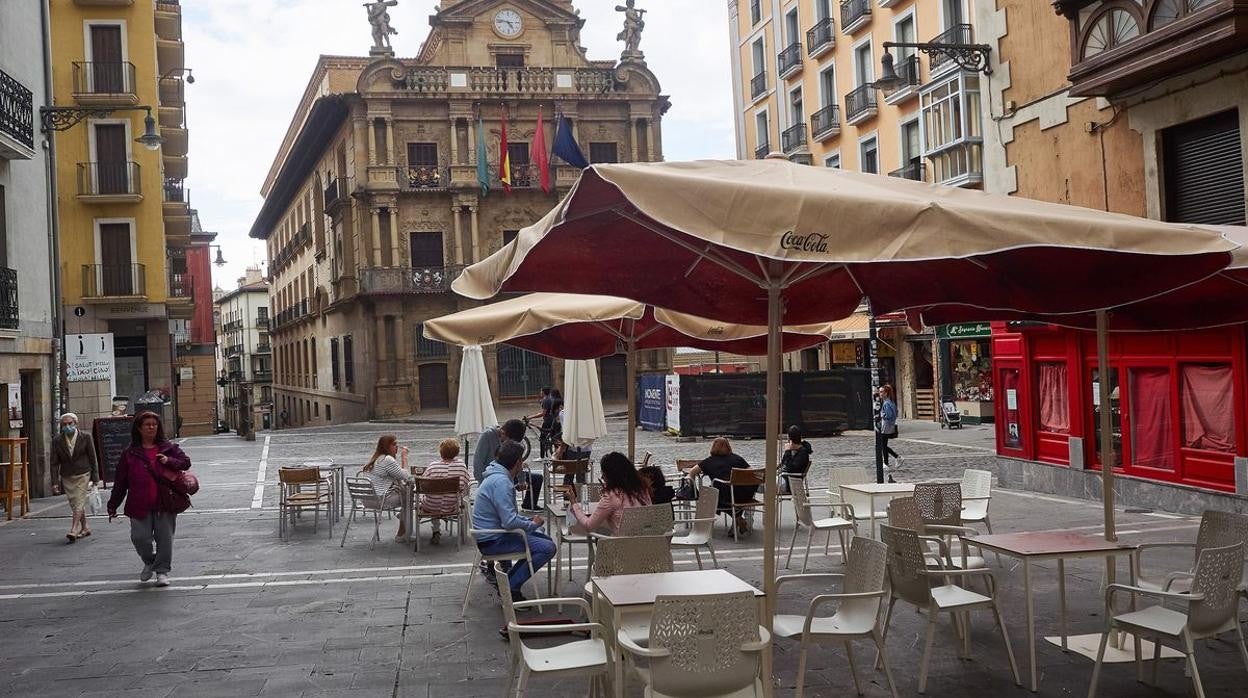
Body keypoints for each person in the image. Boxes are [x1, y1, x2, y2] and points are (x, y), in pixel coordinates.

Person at [106, 411, 191, 587]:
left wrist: (169, 460)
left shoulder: (168, 447)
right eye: (147, 424)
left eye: (154, 424)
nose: (151, 427)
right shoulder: (129, 453)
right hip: (139, 503)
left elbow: (185, 462)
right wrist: (113, 505)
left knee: (165, 539)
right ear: (139, 428)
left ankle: (162, 572)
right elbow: (121, 482)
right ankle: (150, 561)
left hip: (165, 501)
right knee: (140, 538)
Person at [472, 441, 555, 602]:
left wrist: (527, 522)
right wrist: (532, 524)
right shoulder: (502, 482)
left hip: (490, 535)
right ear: (518, 463)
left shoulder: (496, 476)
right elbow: (509, 522)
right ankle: (511, 587)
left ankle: (510, 581)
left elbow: (507, 517)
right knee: (547, 547)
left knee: (542, 536)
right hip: (493, 540)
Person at [687, 437, 757, 535]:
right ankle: (738, 519)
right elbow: (752, 472)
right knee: (727, 494)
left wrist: (692, 485)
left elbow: (692, 473)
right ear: (729, 447)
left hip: (722, 497)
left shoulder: (708, 461)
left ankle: (737, 520)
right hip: (743, 495)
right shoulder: (737, 458)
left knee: (711, 495)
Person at [569, 452, 651, 535]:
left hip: (622, 545)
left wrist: (574, 504)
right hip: (647, 543)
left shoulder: (612, 496)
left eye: (603, 473)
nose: (602, 477)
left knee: (600, 531)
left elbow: (589, 526)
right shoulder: (642, 490)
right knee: (603, 530)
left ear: (610, 476)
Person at [50, 412, 101, 542]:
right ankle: (85, 527)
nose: (67, 426)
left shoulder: (86, 437)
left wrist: (95, 478)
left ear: (75, 424)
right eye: (64, 424)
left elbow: (93, 458)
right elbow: (54, 463)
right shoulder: (57, 440)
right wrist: (55, 483)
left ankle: (74, 529)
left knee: (78, 501)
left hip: (83, 473)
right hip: (67, 476)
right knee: (75, 503)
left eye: (70, 423)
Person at [472, 418, 543, 509]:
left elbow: (518, 461)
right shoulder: (487, 436)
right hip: (490, 480)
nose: (508, 444)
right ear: (503, 432)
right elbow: (478, 462)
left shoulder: (515, 441)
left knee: (537, 478)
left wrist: (522, 481)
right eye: (508, 440)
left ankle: (529, 504)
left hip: (507, 478)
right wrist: (484, 483)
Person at [420, 438, 472, 545]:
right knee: (445, 497)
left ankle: (436, 530)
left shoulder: (433, 466)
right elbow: (467, 481)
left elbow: (423, 485)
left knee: (432, 498)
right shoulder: (461, 466)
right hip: (452, 505)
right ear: (457, 452)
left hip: (431, 505)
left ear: (441, 452)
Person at [363, 435, 414, 542]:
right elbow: (407, 477)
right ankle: (401, 534)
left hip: (367, 500)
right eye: (394, 444)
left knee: (406, 495)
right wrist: (404, 457)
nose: (397, 447)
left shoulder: (375, 459)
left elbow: (397, 475)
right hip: (380, 500)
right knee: (409, 495)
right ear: (387, 446)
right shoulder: (387, 459)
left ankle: (403, 518)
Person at [876, 384, 902, 481]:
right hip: (889, 425)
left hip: (886, 426)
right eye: (880, 391)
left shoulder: (886, 403)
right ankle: (887, 462)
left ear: (886, 393)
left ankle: (895, 458)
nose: (880, 393)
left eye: (882, 392)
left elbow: (889, 415)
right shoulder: (890, 402)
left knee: (883, 445)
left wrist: (882, 415)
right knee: (883, 445)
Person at [779, 425, 813, 495]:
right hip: (782, 479)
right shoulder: (794, 451)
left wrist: (787, 452)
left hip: (788, 482)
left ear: (789, 439)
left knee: (761, 485)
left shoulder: (802, 453)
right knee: (757, 483)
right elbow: (783, 464)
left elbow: (790, 468)